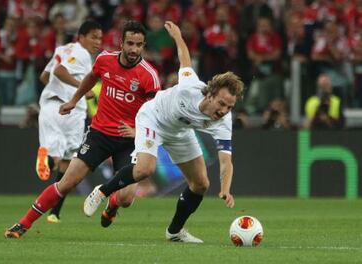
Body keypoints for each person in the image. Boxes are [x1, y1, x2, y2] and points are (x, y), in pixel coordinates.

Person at [83, 21, 244, 243]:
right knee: (145, 169)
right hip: (153, 118)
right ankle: (102, 192)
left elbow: (226, 161)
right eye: (222, 103)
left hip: (179, 132)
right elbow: (184, 59)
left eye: (230, 107)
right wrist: (178, 37)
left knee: (201, 184)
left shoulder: (224, 120)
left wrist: (226, 189)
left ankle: (175, 232)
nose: (224, 111)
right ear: (210, 94)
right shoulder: (190, 89)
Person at [5, 20, 161, 238]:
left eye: (139, 45)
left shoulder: (149, 75)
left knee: (126, 199)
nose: (134, 49)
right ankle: (23, 224)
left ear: (143, 45)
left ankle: (112, 205)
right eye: (130, 43)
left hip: (128, 140)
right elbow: (90, 78)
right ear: (121, 43)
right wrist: (73, 100)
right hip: (99, 134)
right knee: (67, 182)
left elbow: (156, 112)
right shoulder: (105, 60)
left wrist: (139, 132)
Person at [33, 20, 103, 224]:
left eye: (100, 38)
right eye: (93, 37)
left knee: (62, 161)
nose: (98, 42)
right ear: (81, 37)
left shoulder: (62, 49)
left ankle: (55, 212)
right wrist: (83, 88)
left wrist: (58, 90)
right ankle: (47, 162)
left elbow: (45, 76)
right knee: (68, 161)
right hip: (70, 111)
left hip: (49, 105)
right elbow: (60, 72)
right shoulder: (81, 53)